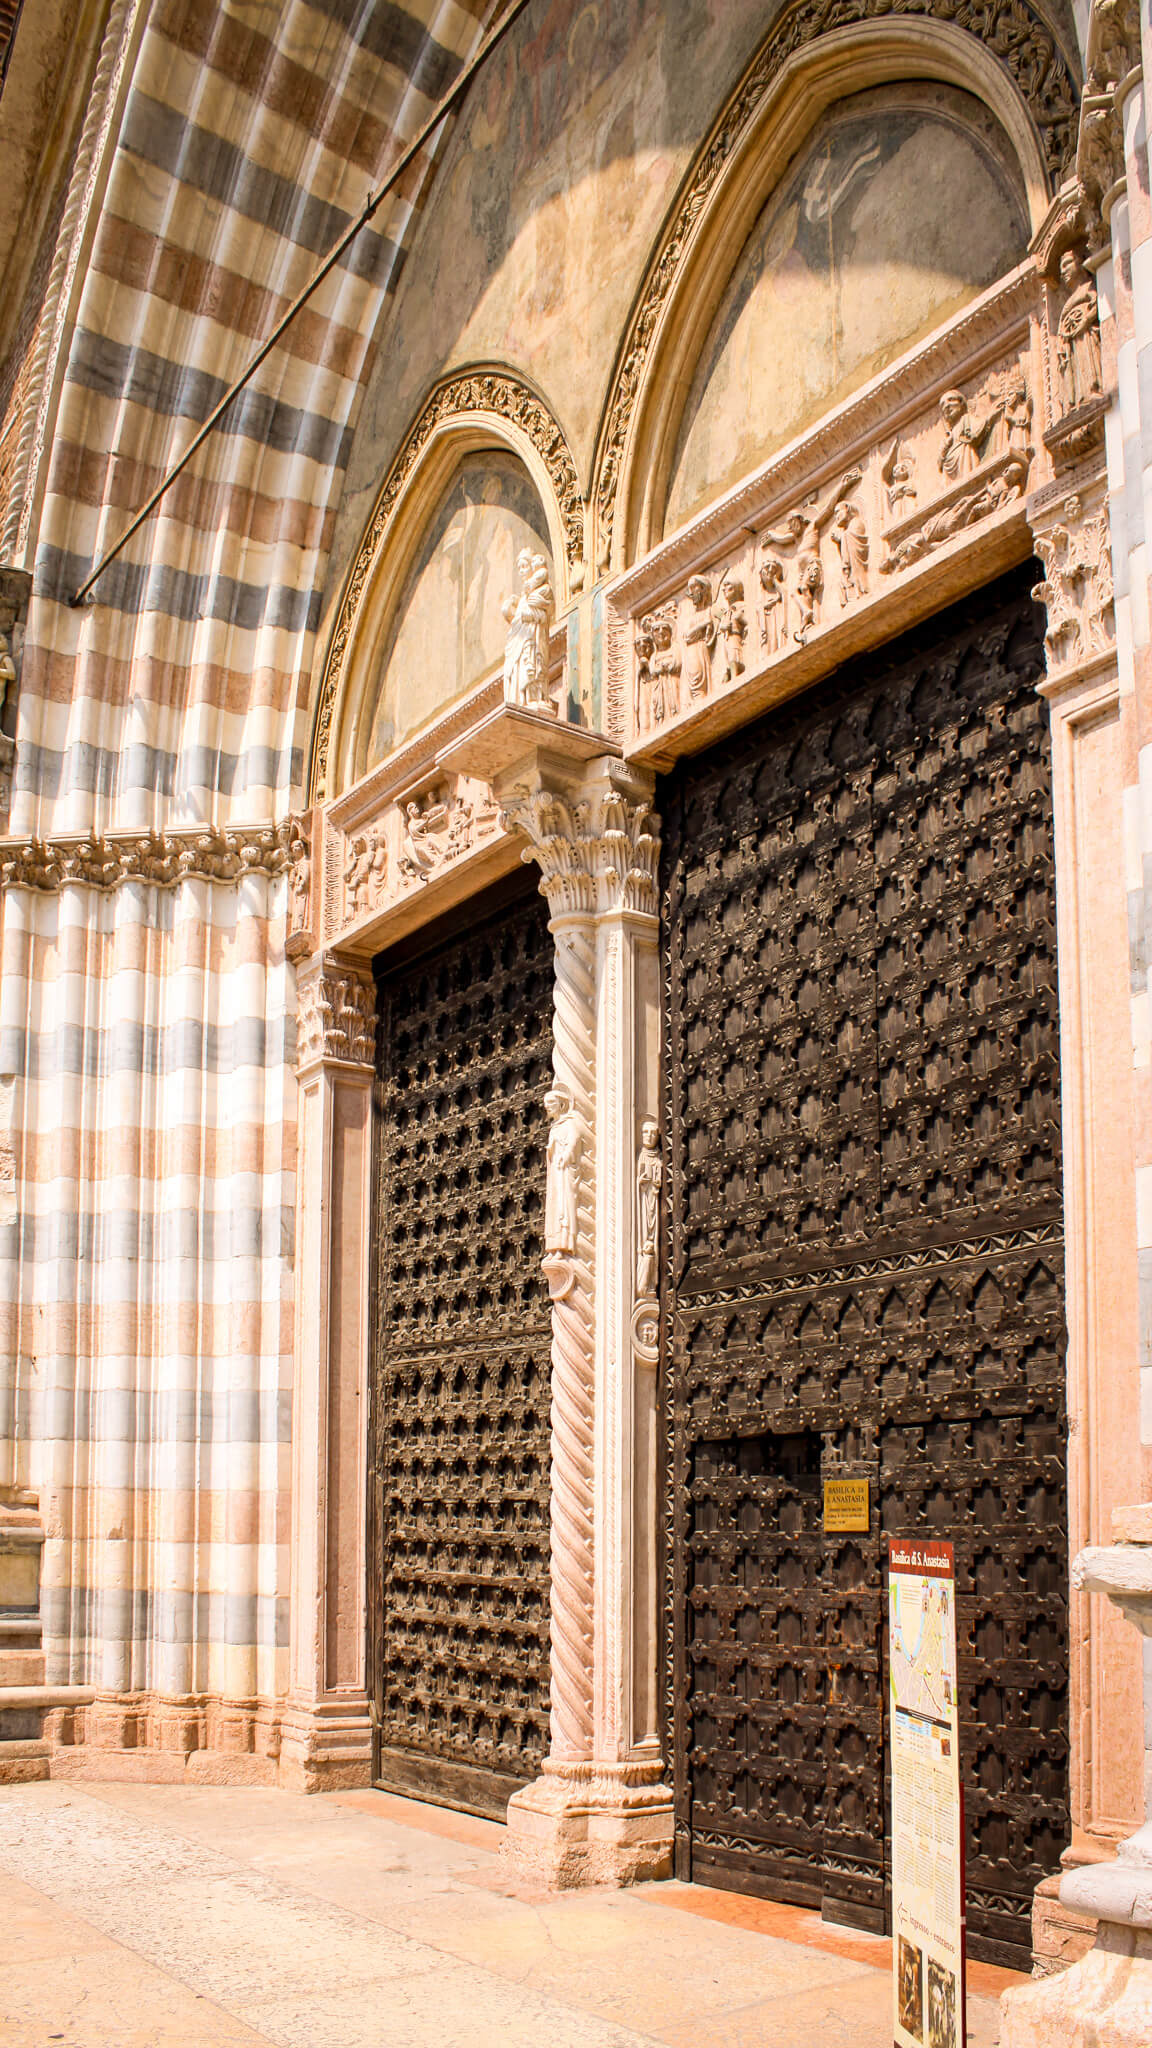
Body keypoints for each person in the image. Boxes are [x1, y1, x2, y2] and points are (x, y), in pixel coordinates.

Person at [1056, 249, 1103, 411]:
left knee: (1088, 362)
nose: (1063, 271)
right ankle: (1077, 400)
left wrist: (1085, 321)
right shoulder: (1068, 302)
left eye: (1067, 264)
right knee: (1076, 370)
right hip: (1073, 341)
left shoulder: (1088, 287)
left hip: (1085, 335)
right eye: (1061, 267)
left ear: (1079, 262)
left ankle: (1093, 389)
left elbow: (1096, 304)